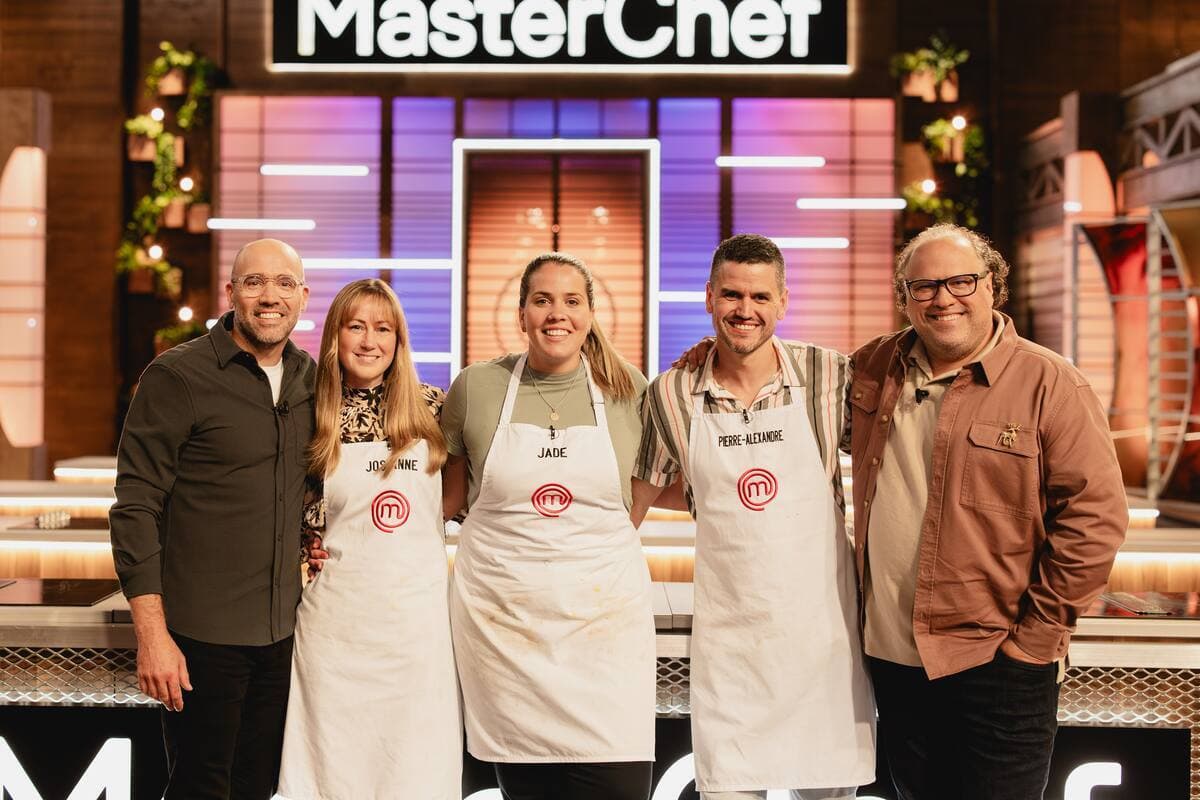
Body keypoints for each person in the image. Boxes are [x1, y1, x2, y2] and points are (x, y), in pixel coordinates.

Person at [847, 223, 1127, 800]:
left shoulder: (1050, 383)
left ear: (993, 286)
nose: (942, 298)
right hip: (894, 662)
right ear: (905, 297)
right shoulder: (873, 367)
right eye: (924, 286)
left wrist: (1034, 642)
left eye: (961, 281)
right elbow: (779, 376)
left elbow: (1095, 520)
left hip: (999, 662)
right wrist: (711, 356)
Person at [633, 233, 876, 800]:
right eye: (732, 295)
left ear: (783, 302)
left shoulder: (831, 375)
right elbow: (638, 500)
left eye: (761, 297)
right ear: (709, 297)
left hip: (824, 649)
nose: (746, 310)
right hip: (731, 652)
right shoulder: (670, 394)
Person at [441, 252, 657, 800]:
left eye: (571, 301)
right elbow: (446, 498)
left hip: (605, 633)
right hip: (507, 635)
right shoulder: (476, 388)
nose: (557, 313)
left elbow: (649, 484)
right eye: (542, 300)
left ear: (589, 314)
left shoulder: (629, 390)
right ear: (521, 314)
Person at [109, 238, 314, 800]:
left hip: (283, 637)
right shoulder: (178, 376)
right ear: (230, 293)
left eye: (283, 283)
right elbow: (135, 506)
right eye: (254, 282)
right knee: (200, 788)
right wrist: (152, 635)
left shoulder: (311, 379)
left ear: (302, 296)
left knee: (258, 788)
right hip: (201, 639)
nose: (269, 296)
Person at [276, 279, 461, 799]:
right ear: (335, 335)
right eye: (355, 326)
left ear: (399, 340)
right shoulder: (309, 413)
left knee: (415, 774)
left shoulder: (433, 408)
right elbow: (291, 509)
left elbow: (458, 497)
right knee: (332, 775)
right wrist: (306, 544)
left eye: (383, 329)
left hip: (416, 630)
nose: (369, 341)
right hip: (336, 632)